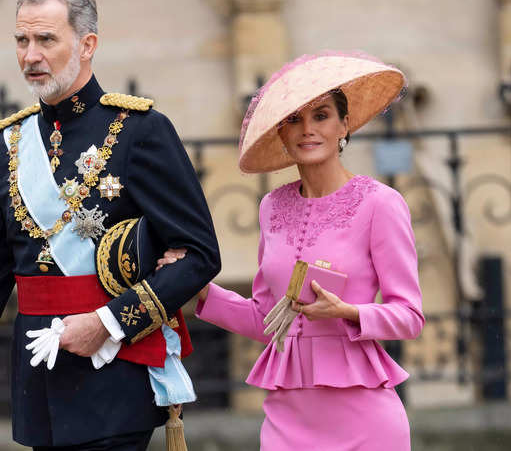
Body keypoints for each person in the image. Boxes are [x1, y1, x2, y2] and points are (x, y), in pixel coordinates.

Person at [0, 0, 221, 451]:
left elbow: (199, 254)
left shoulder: (140, 131)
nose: (30, 56)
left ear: (87, 45)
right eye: (22, 41)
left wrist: (107, 324)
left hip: (114, 373)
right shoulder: (9, 143)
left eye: (46, 40)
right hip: (39, 381)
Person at [171, 52, 424, 450]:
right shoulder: (272, 206)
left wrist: (348, 312)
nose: (307, 129)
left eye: (321, 116)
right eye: (293, 119)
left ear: (345, 125)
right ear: (281, 134)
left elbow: (409, 317)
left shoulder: (381, 203)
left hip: (365, 422)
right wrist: (200, 288)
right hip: (286, 420)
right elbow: (266, 319)